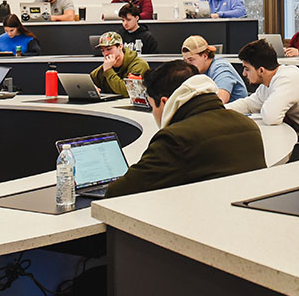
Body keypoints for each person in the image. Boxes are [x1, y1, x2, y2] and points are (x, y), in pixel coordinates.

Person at [104, 60, 266, 196]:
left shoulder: (176, 139)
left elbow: (117, 192)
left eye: (153, 106)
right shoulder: (248, 125)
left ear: (165, 102)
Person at [229, 39, 299, 160]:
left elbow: (271, 117)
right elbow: (249, 104)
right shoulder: (270, 82)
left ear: (261, 70)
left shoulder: (288, 79)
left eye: (247, 69)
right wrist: (220, 109)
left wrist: (264, 107)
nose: (243, 74)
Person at [181, 35, 248, 103]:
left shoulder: (221, 68)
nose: (188, 64)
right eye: (185, 60)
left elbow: (220, 100)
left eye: (191, 60)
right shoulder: (199, 70)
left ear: (205, 56)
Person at [89, 32, 149, 98]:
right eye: (103, 50)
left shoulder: (139, 65)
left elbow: (128, 92)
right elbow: (90, 80)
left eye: (109, 49)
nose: (105, 53)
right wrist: (91, 88)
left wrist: (108, 71)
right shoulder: (105, 67)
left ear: (120, 46)